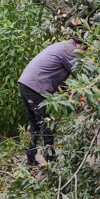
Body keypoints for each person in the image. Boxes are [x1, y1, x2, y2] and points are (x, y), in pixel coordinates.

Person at [18, 37, 83, 165]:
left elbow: (55, 74)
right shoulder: (71, 51)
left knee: (34, 123)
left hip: (27, 83)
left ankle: (30, 160)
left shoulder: (61, 46)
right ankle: (50, 162)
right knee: (46, 124)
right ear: (79, 45)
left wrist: (67, 92)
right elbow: (81, 74)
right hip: (36, 86)